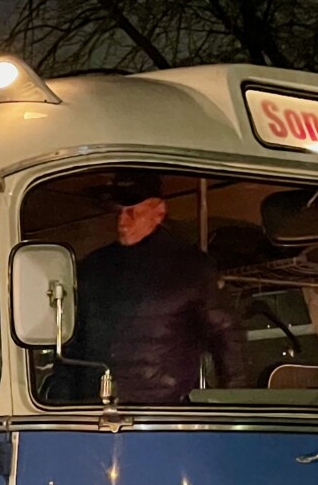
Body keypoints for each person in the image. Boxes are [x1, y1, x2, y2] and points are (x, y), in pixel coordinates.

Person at [55, 171, 246, 404]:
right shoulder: (92, 268)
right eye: (119, 211)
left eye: (132, 212)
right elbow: (70, 342)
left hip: (160, 411)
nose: (122, 221)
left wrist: (234, 403)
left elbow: (228, 338)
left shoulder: (192, 267)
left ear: (159, 211)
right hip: (108, 408)